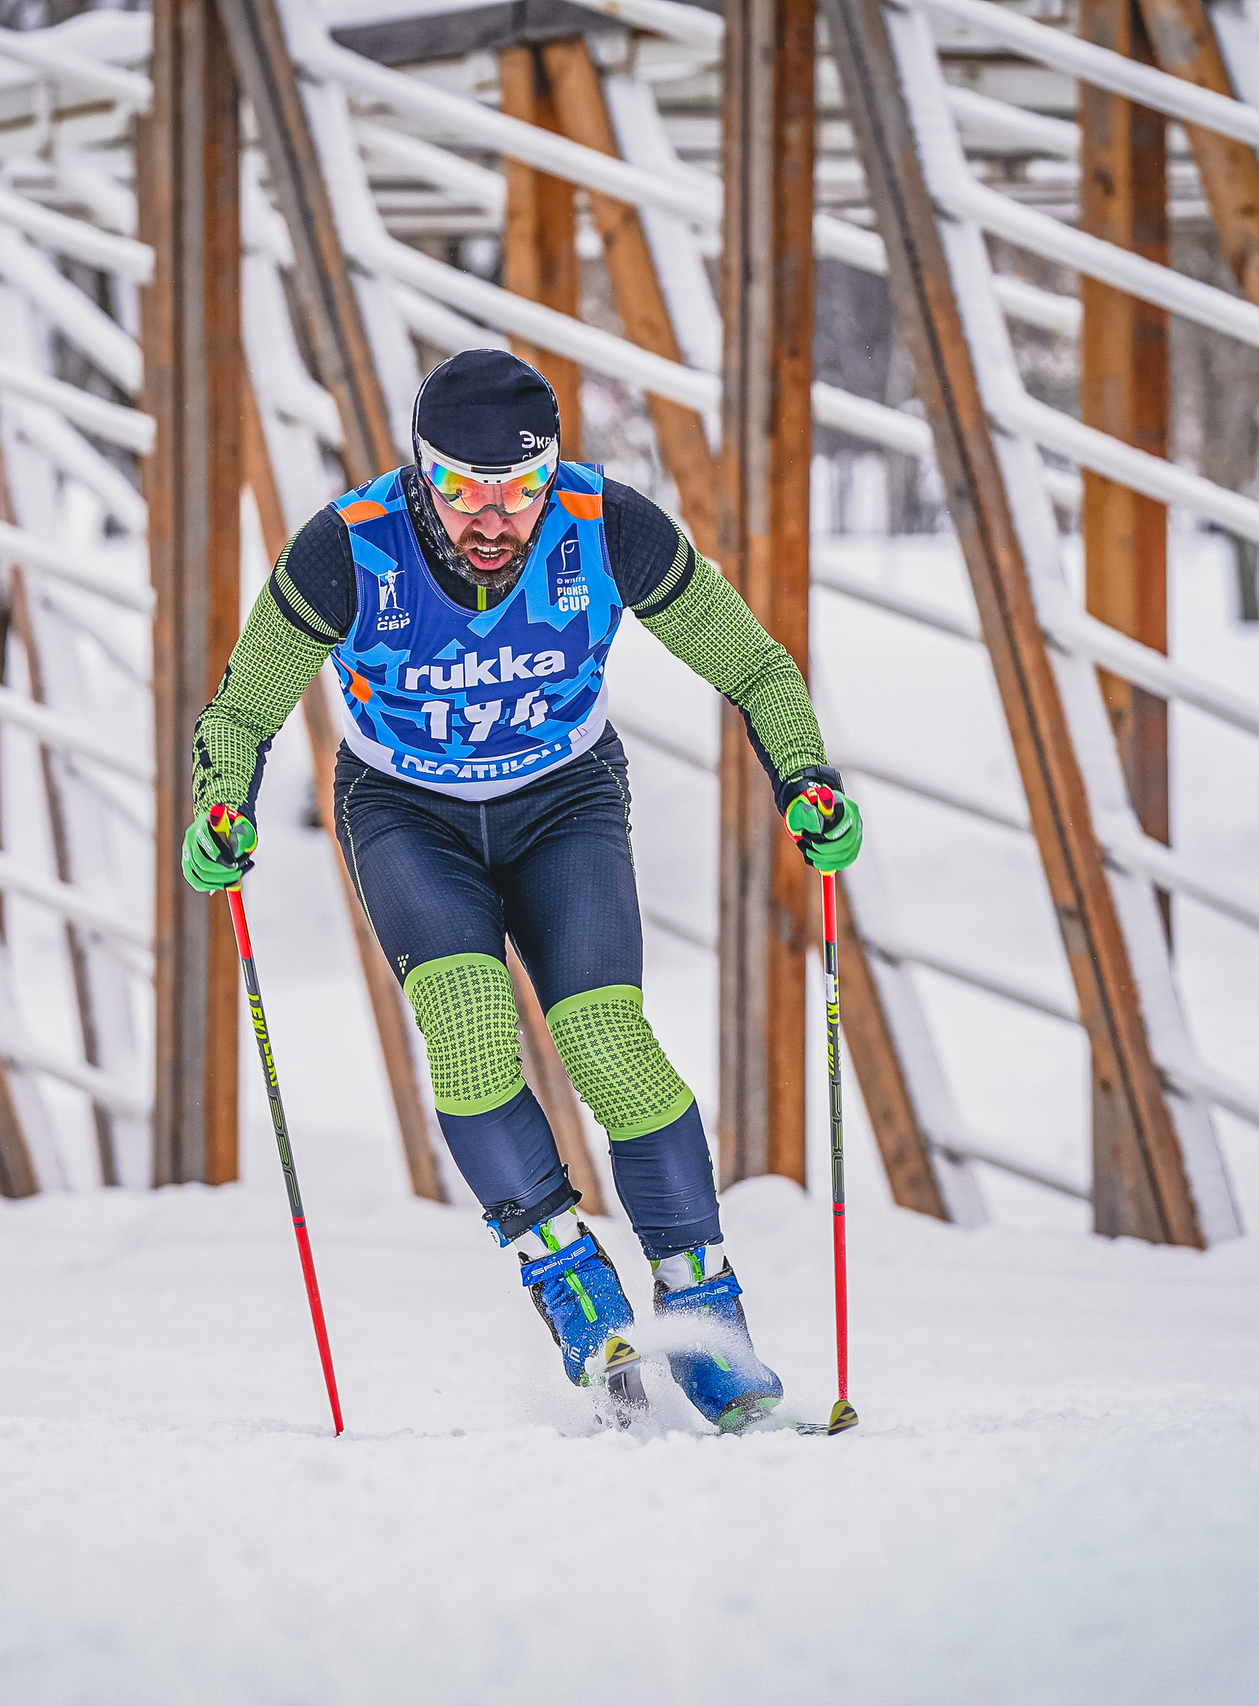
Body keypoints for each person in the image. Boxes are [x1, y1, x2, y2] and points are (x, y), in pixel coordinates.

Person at [181, 349, 862, 1432]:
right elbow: (242, 704)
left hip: (563, 804)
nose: (489, 518)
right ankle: (571, 1286)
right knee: (465, 1029)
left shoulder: (608, 525)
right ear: (419, 470)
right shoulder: (350, 548)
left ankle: (707, 1318)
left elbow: (755, 666)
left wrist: (805, 778)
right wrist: (224, 803)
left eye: (516, 491)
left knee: (605, 1040)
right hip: (408, 811)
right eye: (458, 489)